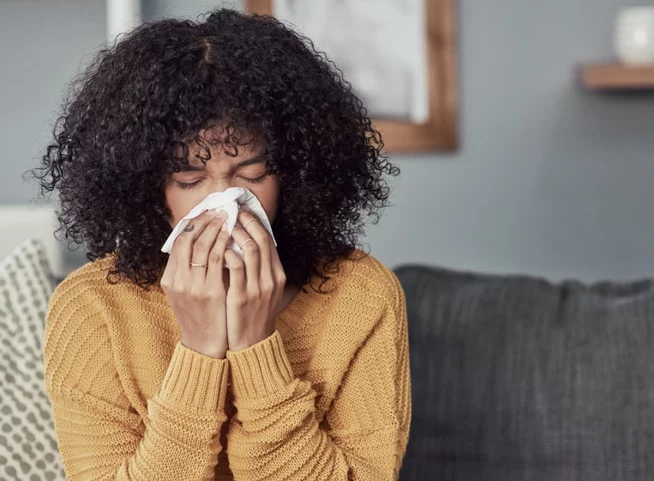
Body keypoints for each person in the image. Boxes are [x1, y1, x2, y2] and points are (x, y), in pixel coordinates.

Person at [35, 8, 410, 481]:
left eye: (251, 174)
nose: (223, 203)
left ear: (295, 172)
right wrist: (198, 352)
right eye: (190, 177)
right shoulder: (92, 309)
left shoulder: (363, 296)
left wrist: (257, 347)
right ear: (147, 186)